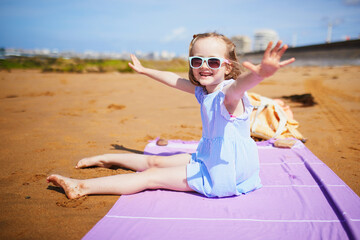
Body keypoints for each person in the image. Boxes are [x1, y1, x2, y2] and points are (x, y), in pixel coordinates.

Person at [47, 32, 295, 199]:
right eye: (197, 60)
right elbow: (174, 80)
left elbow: (241, 85)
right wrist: (145, 71)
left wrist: (261, 73)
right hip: (213, 157)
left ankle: (81, 187)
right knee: (156, 160)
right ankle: (104, 158)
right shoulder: (204, 90)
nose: (204, 66)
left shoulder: (228, 94)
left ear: (228, 66)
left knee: (151, 176)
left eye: (213, 62)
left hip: (224, 170)